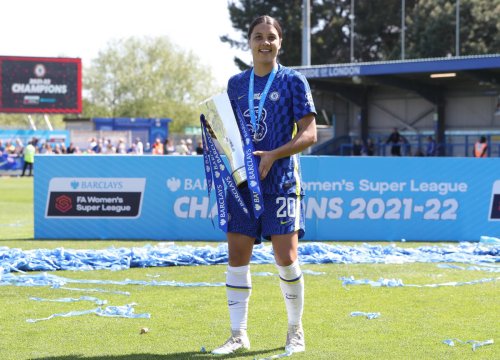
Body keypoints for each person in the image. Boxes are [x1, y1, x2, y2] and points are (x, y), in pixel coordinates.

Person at [211, 15, 317, 356]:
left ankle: (294, 331)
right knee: (237, 256)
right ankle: (238, 334)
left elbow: (310, 134)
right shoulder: (236, 85)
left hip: (282, 181)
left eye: (271, 37)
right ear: (250, 43)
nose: (265, 42)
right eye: (258, 36)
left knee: (285, 257)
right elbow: (227, 131)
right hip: (243, 181)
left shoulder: (293, 81)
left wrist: (274, 154)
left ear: (280, 42)